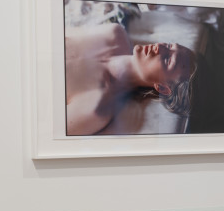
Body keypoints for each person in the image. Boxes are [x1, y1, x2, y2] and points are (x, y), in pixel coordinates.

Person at [63, 22, 197, 136]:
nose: (159, 46)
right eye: (168, 46)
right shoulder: (114, 33)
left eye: (167, 59)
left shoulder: (97, 107)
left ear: (162, 87)